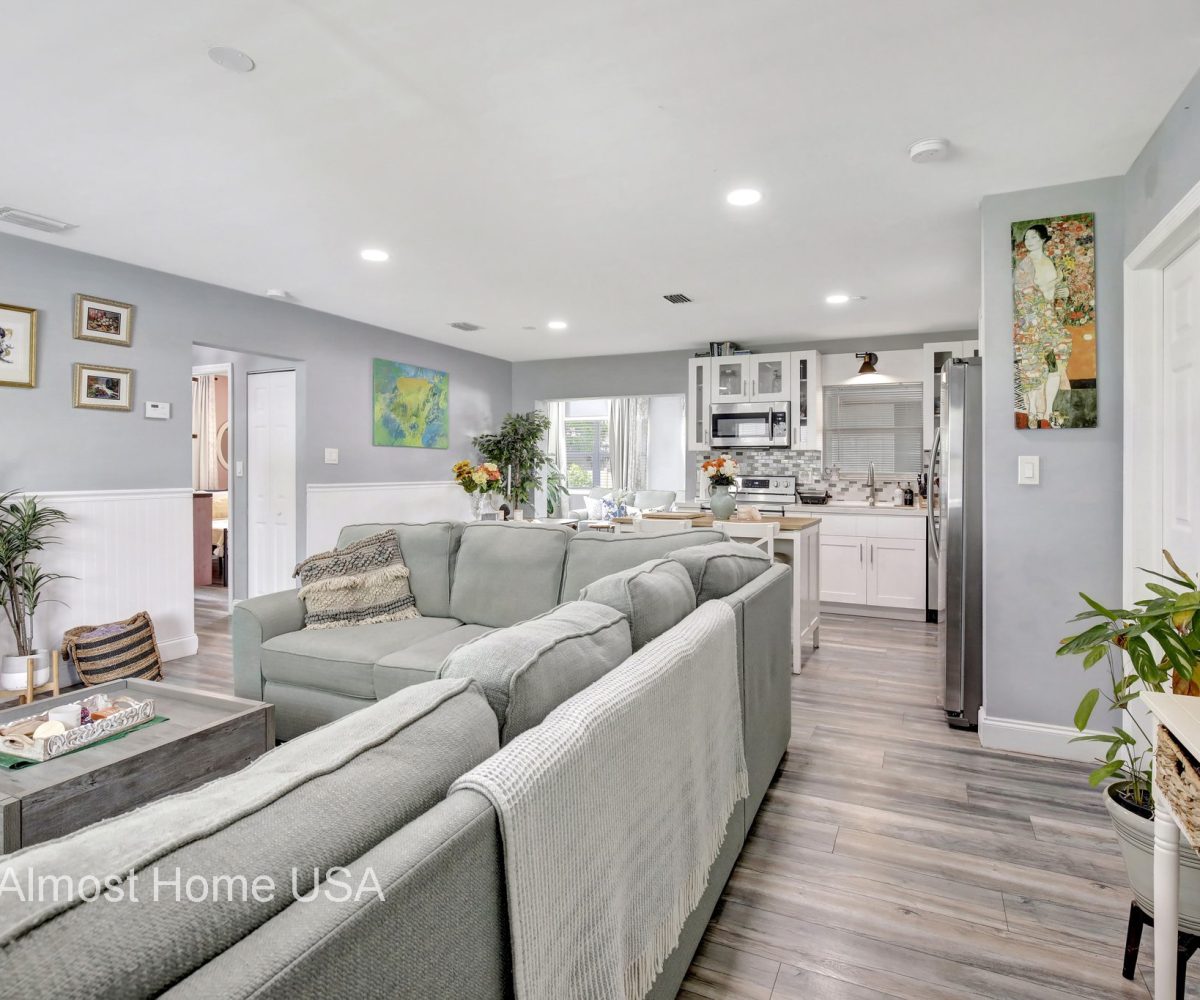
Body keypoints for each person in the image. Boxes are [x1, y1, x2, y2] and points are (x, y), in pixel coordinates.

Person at [1013, 224, 1071, 427]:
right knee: (1033, 369)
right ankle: (1032, 412)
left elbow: (1051, 298)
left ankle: (1046, 413)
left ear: (1044, 240)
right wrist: (1054, 286)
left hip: (1049, 321)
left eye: (1033, 238)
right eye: (1026, 238)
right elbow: (1026, 297)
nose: (1028, 241)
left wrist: (1061, 292)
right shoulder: (1024, 266)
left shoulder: (1049, 262)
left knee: (1056, 361)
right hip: (1030, 323)